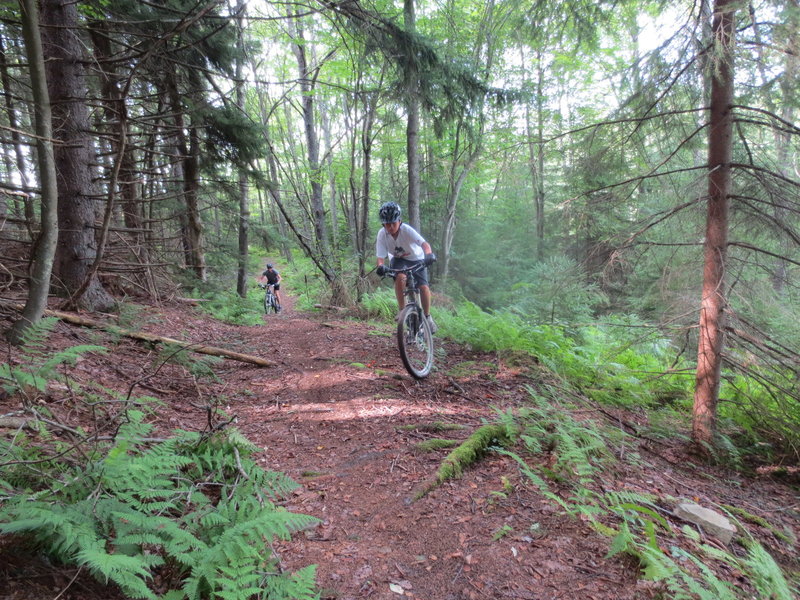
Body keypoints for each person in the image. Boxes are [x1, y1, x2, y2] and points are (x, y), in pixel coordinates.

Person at [375, 201, 437, 333]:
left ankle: (427, 316)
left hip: (416, 258)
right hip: (398, 259)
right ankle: (403, 310)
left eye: (393, 223)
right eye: (387, 223)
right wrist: (380, 267)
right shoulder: (382, 234)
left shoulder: (407, 230)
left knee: (423, 287)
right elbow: (380, 256)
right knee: (400, 277)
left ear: (399, 221)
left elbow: (425, 244)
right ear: (383, 224)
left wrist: (429, 255)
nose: (391, 226)